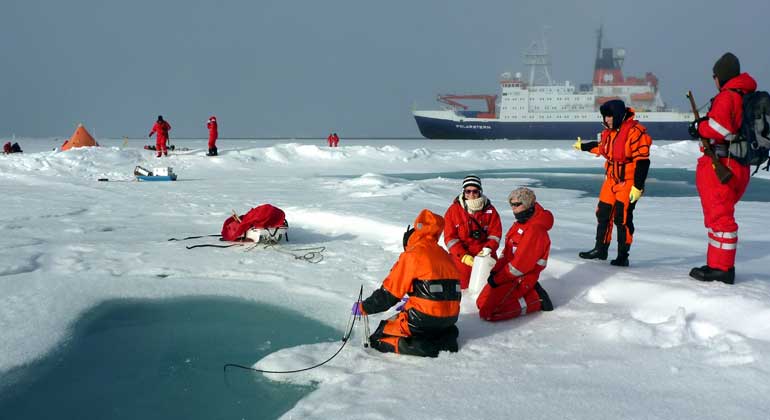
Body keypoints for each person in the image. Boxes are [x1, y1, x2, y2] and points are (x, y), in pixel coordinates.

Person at [352, 209, 461, 357]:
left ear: (409, 240)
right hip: (450, 318)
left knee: (379, 335)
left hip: (422, 318)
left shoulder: (412, 255)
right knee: (433, 327)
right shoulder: (445, 255)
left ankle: (419, 346)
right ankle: (444, 339)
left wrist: (364, 307)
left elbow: (389, 294)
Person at [688, 53, 756, 285]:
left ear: (721, 76)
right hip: (738, 165)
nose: (714, 81)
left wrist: (700, 126)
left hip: (723, 166)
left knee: (721, 219)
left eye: (715, 76)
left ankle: (721, 270)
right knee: (720, 216)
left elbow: (720, 127)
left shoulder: (728, 97)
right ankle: (717, 264)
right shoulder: (746, 94)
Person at [573, 99, 652, 266]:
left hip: (628, 182)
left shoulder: (635, 132)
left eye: (609, 116)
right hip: (611, 180)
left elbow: (643, 161)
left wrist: (638, 187)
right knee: (602, 214)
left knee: (622, 219)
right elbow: (601, 147)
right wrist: (583, 146)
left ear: (618, 115)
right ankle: (600, 249)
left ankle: (623, 256)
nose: (606, 120)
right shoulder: (609, 133)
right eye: (604, 116)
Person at [477, 187, 553, 321]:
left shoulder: (535, 230)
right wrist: (495, 271)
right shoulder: (519, 224)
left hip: (523, 277)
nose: (513, 208)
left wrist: (497, 279)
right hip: (508, 275)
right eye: (511, 204)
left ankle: (536, 299)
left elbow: (519, 267)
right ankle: (525, 293)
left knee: (488, 313)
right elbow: (506, 253)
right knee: (481, 302)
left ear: (527, 204)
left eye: (517, 204)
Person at [443, 175, 503, 289]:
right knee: (461, 288)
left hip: (485, 256)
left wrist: (488, 249)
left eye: (475, 191)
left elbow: (495, 235)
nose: (471, 195)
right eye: (468, 191)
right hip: (462, 256)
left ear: (480, 192)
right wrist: (463, 256)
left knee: (487, 287)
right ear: (463, 192)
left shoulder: (490, 210)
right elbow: (450, 238)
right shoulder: (453, 211)